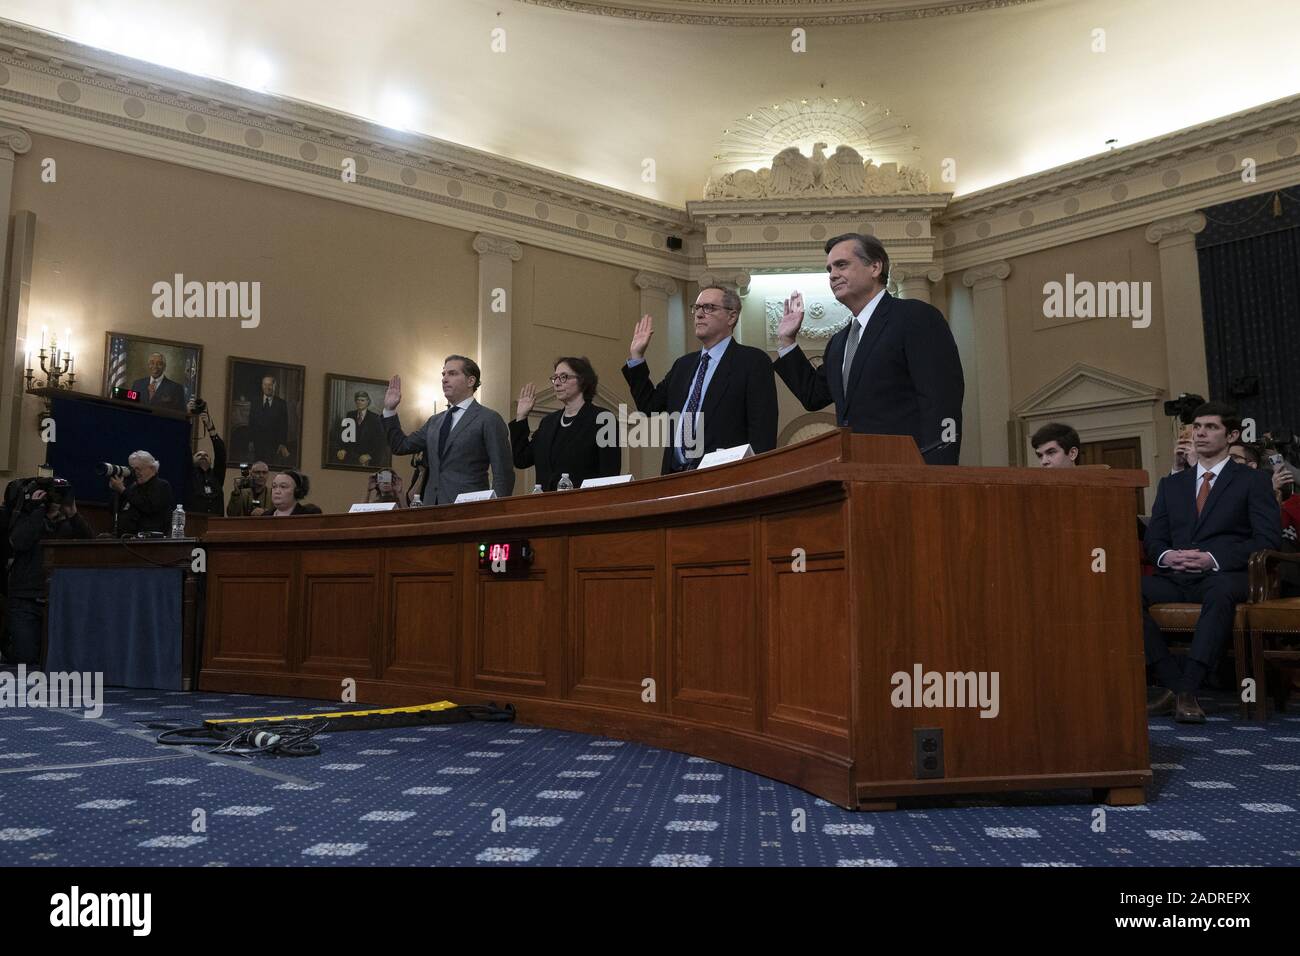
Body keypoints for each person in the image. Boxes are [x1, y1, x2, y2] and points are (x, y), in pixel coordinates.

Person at [1142, 402, 1280, 723]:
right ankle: (1175, 684)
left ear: (1231, 435)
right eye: (1197, 427)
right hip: (1177, 577)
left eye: (1211, 427)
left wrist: (1211, 558)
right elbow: (1155, 540)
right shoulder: (1172, 484)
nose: (1201, 433)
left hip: (1227, 574)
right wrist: (1167, 556)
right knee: (1120, 590)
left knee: (1218, 590)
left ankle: (1188, 689)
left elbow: (1267, 540)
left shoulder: (1252, 480)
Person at [774, 233, 964, 465]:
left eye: (841, 265)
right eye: (829, 269)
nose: (833, 275)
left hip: (909, 468)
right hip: (857, 471)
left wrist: (937, 471)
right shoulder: (839, 342)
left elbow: (940, 398)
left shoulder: (915, 317)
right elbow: (814, 396)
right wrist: (787, 341)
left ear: (875, 267)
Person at [622, 286, 777, 474]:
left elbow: (763, 433)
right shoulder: (683, 365)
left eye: (709, 307)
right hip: (675, 477)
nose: (699, 314)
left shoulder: (752, 362)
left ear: (732, 317)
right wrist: (636, 357)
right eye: (697, 308)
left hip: (724, 479)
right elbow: (649, 405)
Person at [381, 356, 514, 504]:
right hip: (431, 507)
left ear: (471, 381)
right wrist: (389, 410)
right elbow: (400, 446)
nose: (444, 379)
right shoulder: (435, 421)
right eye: (443, 374)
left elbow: (503, 473)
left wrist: (496, 511)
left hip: (470, 508)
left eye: (452, 373)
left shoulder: (488, 418)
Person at [2, 479, 91, 664]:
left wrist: (73, 514)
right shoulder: (27, 517)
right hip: (25, 599)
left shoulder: (68, 525)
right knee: (25, 657)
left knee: (57, 656)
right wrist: (39, 510)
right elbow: (18, 542)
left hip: (57, 599)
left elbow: (89, 544)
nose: (56, 500)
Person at [513, 357, 621, 490]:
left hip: (584, 505)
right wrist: (521, 416)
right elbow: (521, 460)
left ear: (582, 381)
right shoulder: (548, 423)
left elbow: (609, 475)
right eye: (555, 378)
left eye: (563, 377)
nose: (557, 383)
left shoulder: (603, 420)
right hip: (546, 505)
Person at [109, 450, 174, 536]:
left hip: (148, 542)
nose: (135, 473)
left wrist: (123, 490)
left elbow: (148, 507)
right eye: (133, 469)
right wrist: (117, 490)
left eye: (138, 469)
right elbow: (113, 510)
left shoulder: (162, 485)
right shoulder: (133, 487)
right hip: (124, 539)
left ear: (152, 468)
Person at [186, 401, 227, 515]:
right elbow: (184, 447)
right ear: (192, 461)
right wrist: (188, 417)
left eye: (206, 455)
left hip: (215, 525)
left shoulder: (217, 476)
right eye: (198, 455)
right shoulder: (189, 474)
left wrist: (210, 426)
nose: (203, 455)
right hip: (193, 525)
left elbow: (220, 453)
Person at [331, 390, 387, 467]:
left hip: (367, 460)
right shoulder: (350, 415)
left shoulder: (375, 418)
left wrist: (369, 455)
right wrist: (342, 449)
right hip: (351, 457)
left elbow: (381, 442)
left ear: (368, 402)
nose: (359, 402)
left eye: (362, 400)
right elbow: (344, 437)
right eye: (357, 400)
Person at [248, 375, 291, 465]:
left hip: (274, 445)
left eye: (270, 385)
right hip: (257, 443)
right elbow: (251, 422)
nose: (267, 387)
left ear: (274, 386)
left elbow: (284, 425)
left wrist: (282, 443)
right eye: (265, 384)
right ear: (262, 386)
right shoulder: (255, 401)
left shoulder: (281, 403)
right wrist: (251, 440)